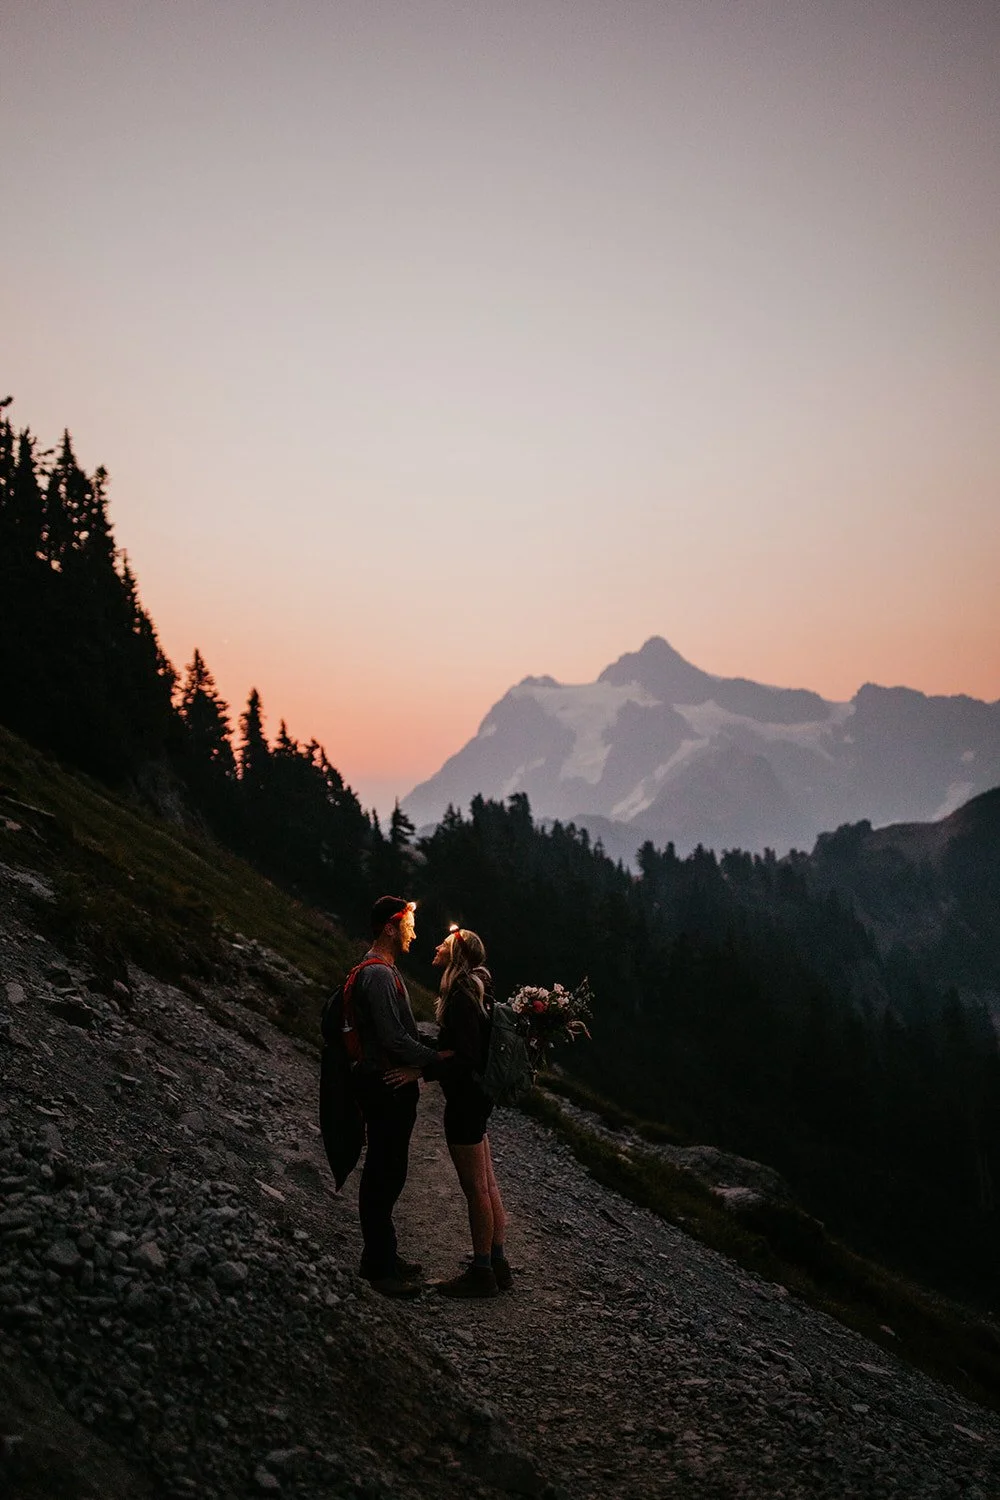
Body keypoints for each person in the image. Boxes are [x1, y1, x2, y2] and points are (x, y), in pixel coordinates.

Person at [387, 926, 512, 1298]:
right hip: (479, 1099)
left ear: (456, 953)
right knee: (487, 1183)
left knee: (474, 1188)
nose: (436, 946)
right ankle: (498, 1262)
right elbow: (460, 1047)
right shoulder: (480, 989)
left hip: (465, 1102)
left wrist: (420, 1071)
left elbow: (464, 1057)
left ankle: (481, 1271)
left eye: (444, 943)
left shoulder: (460, 995)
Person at [351, 895, 452, 1297]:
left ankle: (382, 1255)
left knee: (389, 1171)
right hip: (385, 1086)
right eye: (406, 925)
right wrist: (437, 1059)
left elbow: (398, 1033)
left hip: (391, 1084)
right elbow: (393, 1036)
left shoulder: (384, 970)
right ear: (390, 928)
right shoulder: (377, 974)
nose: (413, 932)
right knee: (383, 1173)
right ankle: (380, 1269)